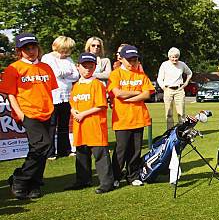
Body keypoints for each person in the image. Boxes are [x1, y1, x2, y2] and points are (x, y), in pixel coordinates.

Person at [2, 33, 58, 199]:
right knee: (42, 145)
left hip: (47, 111)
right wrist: (20, 114)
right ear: (19, 50)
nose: (31, 51)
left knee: (42, 148)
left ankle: (34, 184)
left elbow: (49, 90)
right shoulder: (14, 68)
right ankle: (19, 179)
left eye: (33, 47)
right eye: (27, 48)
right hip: (28, 113)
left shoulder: (46, 67)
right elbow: (10, 94)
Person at [66, 52, 114, 194]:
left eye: (90, 66)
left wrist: (82, 114)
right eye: (84, 66)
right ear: (78, 67)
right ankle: (83, 180)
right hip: (80, 125)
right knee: (82, 153)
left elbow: (101, 105)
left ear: (95, 67)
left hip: (94, 124)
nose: (87, 69)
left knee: (100, 155)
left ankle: (106, 182)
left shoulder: (97, 84)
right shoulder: (76, 85)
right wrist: (74, 111)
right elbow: (73, 103)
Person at [107, 45, 153, 187]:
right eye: (130, 60)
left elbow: (147, 94)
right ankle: (115, 176)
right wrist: (137, 93)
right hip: (122, 118)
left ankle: (132, 176)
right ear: (122, 59)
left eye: (135, 59)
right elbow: (118, 93)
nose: (132, 62)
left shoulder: (141, 75)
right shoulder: (115, 74)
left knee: (135, 150)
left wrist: (131, 97)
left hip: (139, 117)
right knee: (121, 149)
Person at [41, 36, 79, 159]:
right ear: (55, 47)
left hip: (66, 96)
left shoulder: (69, 60)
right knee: (51, 125)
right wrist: (66, 73)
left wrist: (64, 74)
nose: (64, 54)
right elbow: (54, 73)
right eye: (62, 50)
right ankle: (50, 151)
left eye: (67, 51)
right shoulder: (47, 58)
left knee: (64, 124)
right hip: (52, 96)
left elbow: (76, 75)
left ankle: (65, 149)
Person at [157, 47, 193, 129]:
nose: (174, 59)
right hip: (168, 90)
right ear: (169, 57)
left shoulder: (182, 64)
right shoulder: (164, 65)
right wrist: (163, 88)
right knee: (169, 113)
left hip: (179, 90)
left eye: (176, 57)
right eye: (172, 57)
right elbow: (159, 78)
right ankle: (170, 131)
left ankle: (181, 131)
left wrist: (186, 82)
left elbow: (189, 73)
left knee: (181, 113)